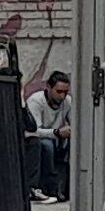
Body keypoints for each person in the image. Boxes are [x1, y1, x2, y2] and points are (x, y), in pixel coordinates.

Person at [25, 72, 73, 203]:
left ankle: (65, 188)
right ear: (49, 87)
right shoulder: (36, 101)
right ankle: (48, 188)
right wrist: (56, 133)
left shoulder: (67, 102)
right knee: (47, 145)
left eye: (65, 92)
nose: (62, 96)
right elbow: (34, 131)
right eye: (58, 91)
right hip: (36, 139)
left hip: (58, 139)